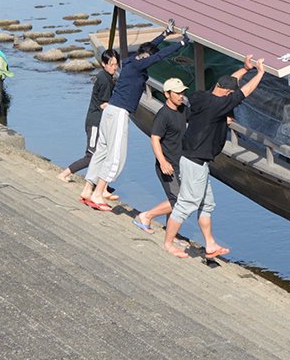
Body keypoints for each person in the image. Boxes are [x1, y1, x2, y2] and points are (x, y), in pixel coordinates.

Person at [163, 55, 265, 259]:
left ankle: (210, 244)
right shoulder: (219, 105)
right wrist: (260, 73)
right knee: (186, 203)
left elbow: (229, 84)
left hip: (196, 160)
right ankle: (168, 243)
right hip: (194, 160)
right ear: (227, 93)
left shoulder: (202, 96)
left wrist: (245, 69)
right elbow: (244, 92)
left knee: (206, 204)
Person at [79, 29, 189, 211]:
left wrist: (164, 34)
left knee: (101, 152)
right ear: (146, 57)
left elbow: (149, 48)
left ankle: (87, 189)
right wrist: (182, 43)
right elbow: (158, 55)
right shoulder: (140, 64)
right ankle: (98, 194)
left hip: (110, 111)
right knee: (116, 156)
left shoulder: (130, 61)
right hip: (119, 113)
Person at [57, 48, 121, 201]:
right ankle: (64, 174)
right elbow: (104, 104)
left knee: (103, 154)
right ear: (104, 64)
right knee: (92, 155)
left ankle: (103, 187)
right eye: (112, 64)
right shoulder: (104, 80)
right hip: (95, 122)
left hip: (100, 122)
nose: (115, 67)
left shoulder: (107, 77)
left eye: (116, 64)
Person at [133, 77, 189, 234]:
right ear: (167, 94)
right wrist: (163, 162)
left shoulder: (183, 109)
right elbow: (155, 138)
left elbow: (199, 118)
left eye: (182, 93)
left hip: (180, 162)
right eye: (177, 93)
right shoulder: (163, 115)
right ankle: (146, 216)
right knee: (178, 200)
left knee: (176, 198)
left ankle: (171, 232)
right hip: (167, 165)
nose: (181, 96)